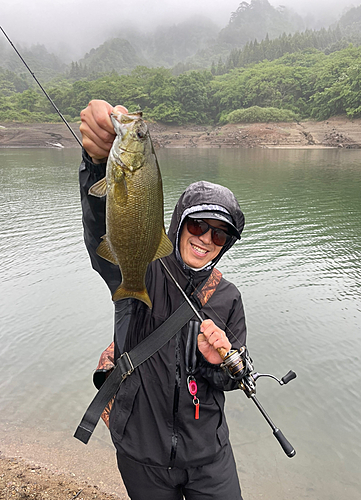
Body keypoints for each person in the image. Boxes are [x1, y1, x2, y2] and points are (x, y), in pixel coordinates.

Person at [79, 100, 247, 500]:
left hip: (209, 456)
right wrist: (94, 161)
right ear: (178, 222)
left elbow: (234, 376)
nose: (206, 238)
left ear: (225, 245)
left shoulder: (228, 297)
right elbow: (101, 224)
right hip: (142, 453)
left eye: (219, 234)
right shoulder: (142, 270)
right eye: (198, 225)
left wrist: (220, 361)